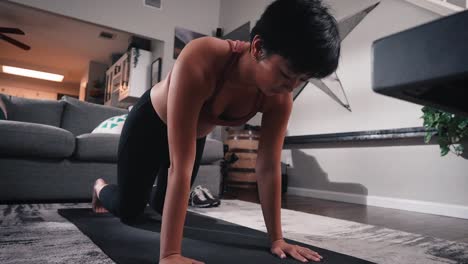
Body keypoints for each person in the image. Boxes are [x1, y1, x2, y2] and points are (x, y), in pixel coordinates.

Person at [92, 0, 340, 263]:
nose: (291, 87)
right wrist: (171, 254)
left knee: (163, 208)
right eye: (286, 74)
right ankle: (100, 188)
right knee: (131, 211)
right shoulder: (202, 56)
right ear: (258, 47)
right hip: (149, 124)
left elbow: (267, 167)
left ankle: (151, 194)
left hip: (195, 134)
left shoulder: (279, 99)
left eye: (302, 80)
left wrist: (277, 239)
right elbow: (181, 166)